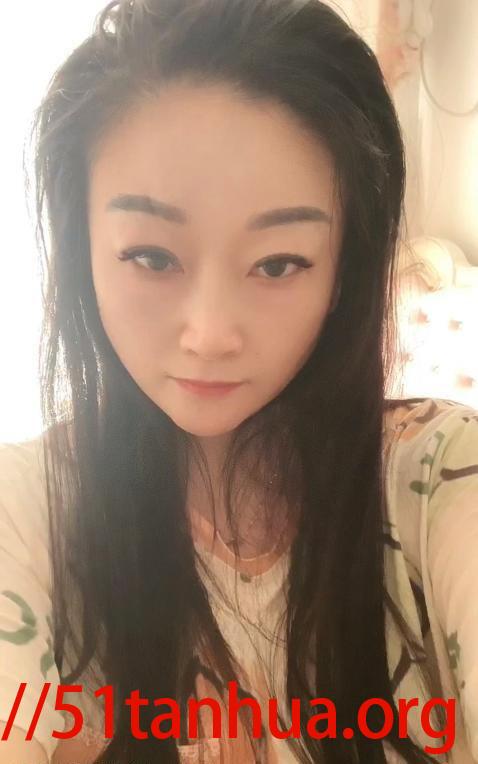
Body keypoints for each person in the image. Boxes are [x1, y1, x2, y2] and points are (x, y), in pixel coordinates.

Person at [0, 0, 476, 762]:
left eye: (279, 263)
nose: (210, 334)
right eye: (152, 256)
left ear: (345, 270)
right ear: (83, 247)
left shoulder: (440, 481)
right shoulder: (26, 511)